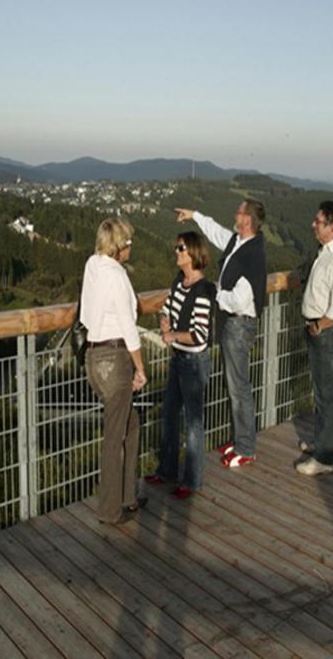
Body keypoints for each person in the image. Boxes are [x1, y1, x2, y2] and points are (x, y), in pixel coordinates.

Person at [175, 200, 267, 468]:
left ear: (247, 219)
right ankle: (241, 440)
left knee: (238, 388)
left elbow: (240, 300)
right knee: (235, 385)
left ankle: (247, 448)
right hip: (234, 324)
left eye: (238, 212)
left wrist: (214, 292)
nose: (234, 215)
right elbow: (216, 233)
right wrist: (194, 215)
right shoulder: (241, 242)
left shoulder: (252, 255)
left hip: (238, 324)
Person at [80, 218, 148, 523]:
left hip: (93, 358)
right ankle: (110, 510)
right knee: (114, 436)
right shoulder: (117, 276)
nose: (131, 246)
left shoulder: (92, 265)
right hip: (115, 358)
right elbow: (127, 326)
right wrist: (140, 368)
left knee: (129, 424)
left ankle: (127, 495)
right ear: (120, 246)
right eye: (129, 242)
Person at [145, 232, 216, 499]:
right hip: (179, 359)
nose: (176, 251)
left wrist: (172, 335)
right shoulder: (180, 282)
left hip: (193, 362)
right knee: (170, 416)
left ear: (193, 253)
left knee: (193, 423)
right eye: (177, 247)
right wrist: (165, 319)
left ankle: (192, 481)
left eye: (181, 248)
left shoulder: (202, 291)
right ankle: (167, 471)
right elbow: (167, 308)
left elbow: (200, 334)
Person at [296, 200, 333, 476]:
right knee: (320, 392)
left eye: (318, 221)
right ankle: (323, 443)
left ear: (331, 226)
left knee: (325, 395)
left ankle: (323, 457)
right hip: (316, 329)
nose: (313, 224)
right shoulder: (326, 252)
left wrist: (319, 326)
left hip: (325, 332)